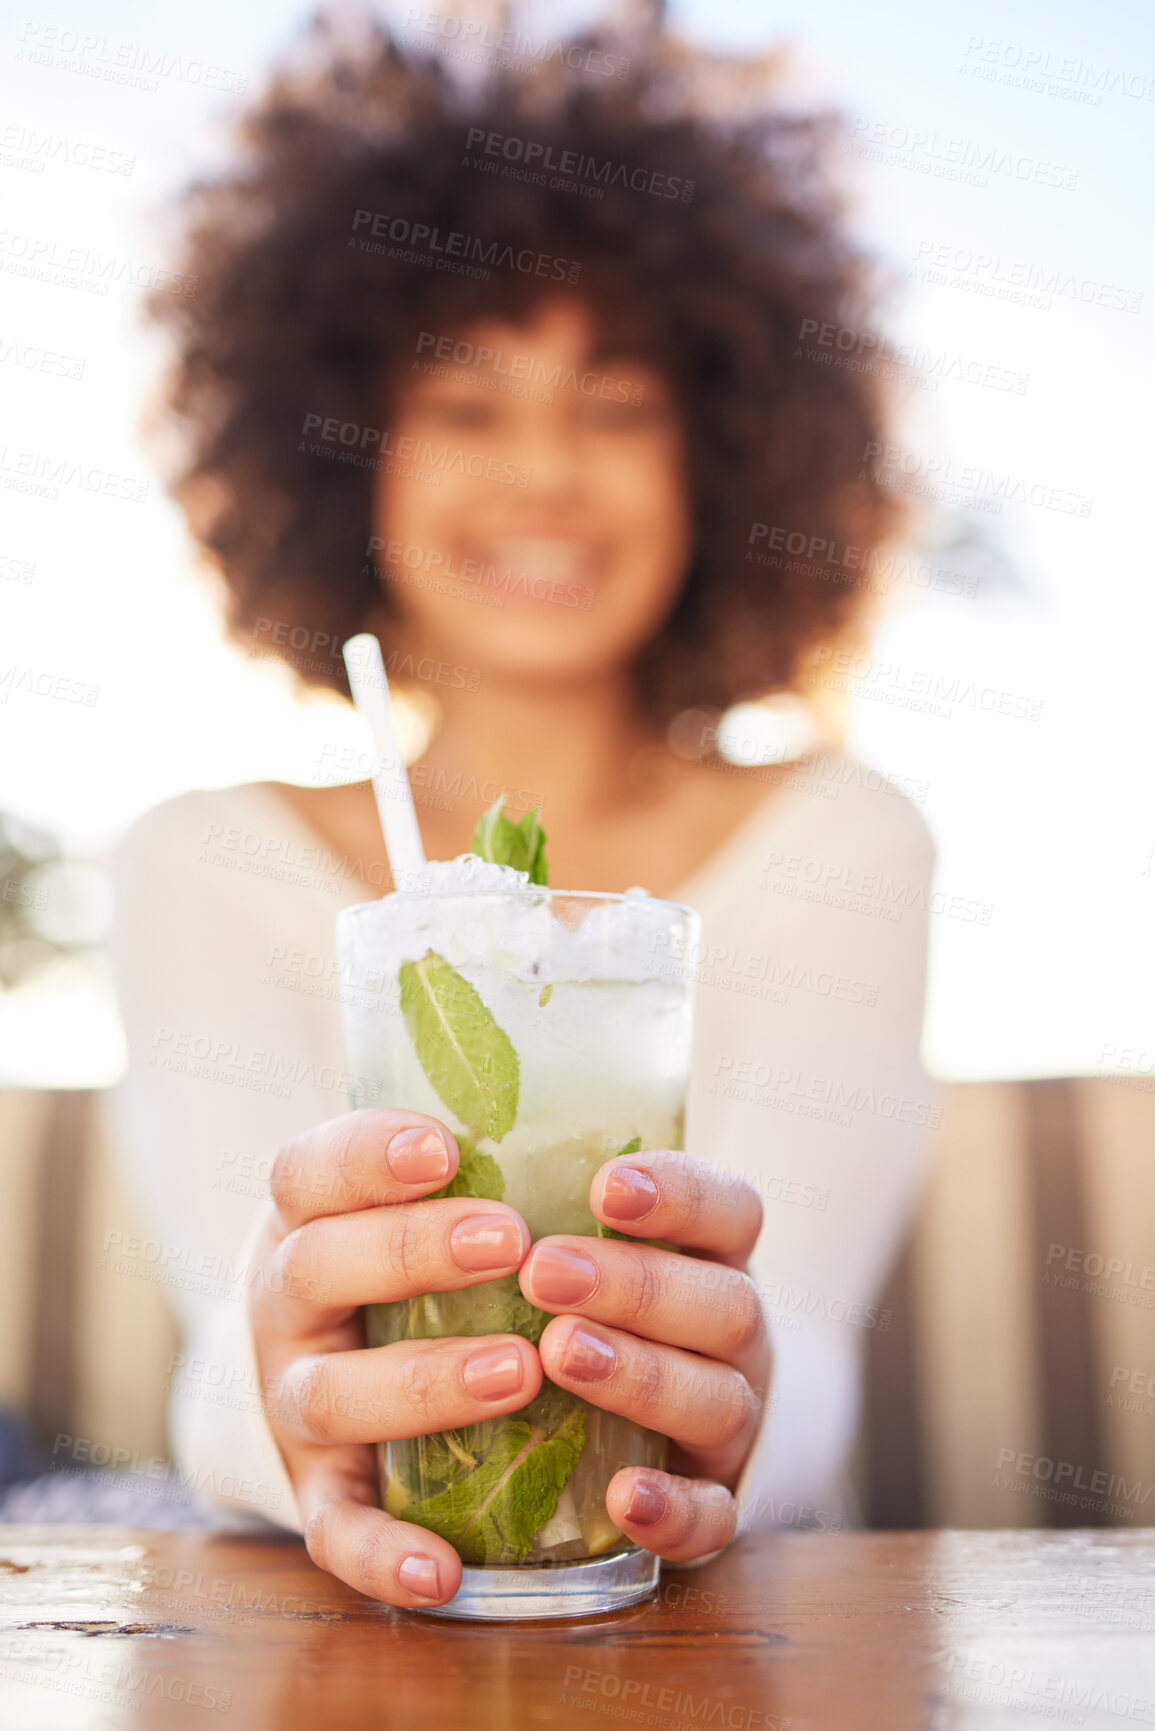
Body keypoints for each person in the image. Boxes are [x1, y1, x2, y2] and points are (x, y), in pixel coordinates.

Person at [108, 15, 938, 1609]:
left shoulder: (845, 839)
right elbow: (240, 1342)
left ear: (722, 461)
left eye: (616, 408)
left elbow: (802, 1353)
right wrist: (286, 1406)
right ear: (352, 459)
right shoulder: (205, 863)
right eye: (472, 412)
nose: (547, 474)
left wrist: (728, 1418)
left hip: (708, 1642)